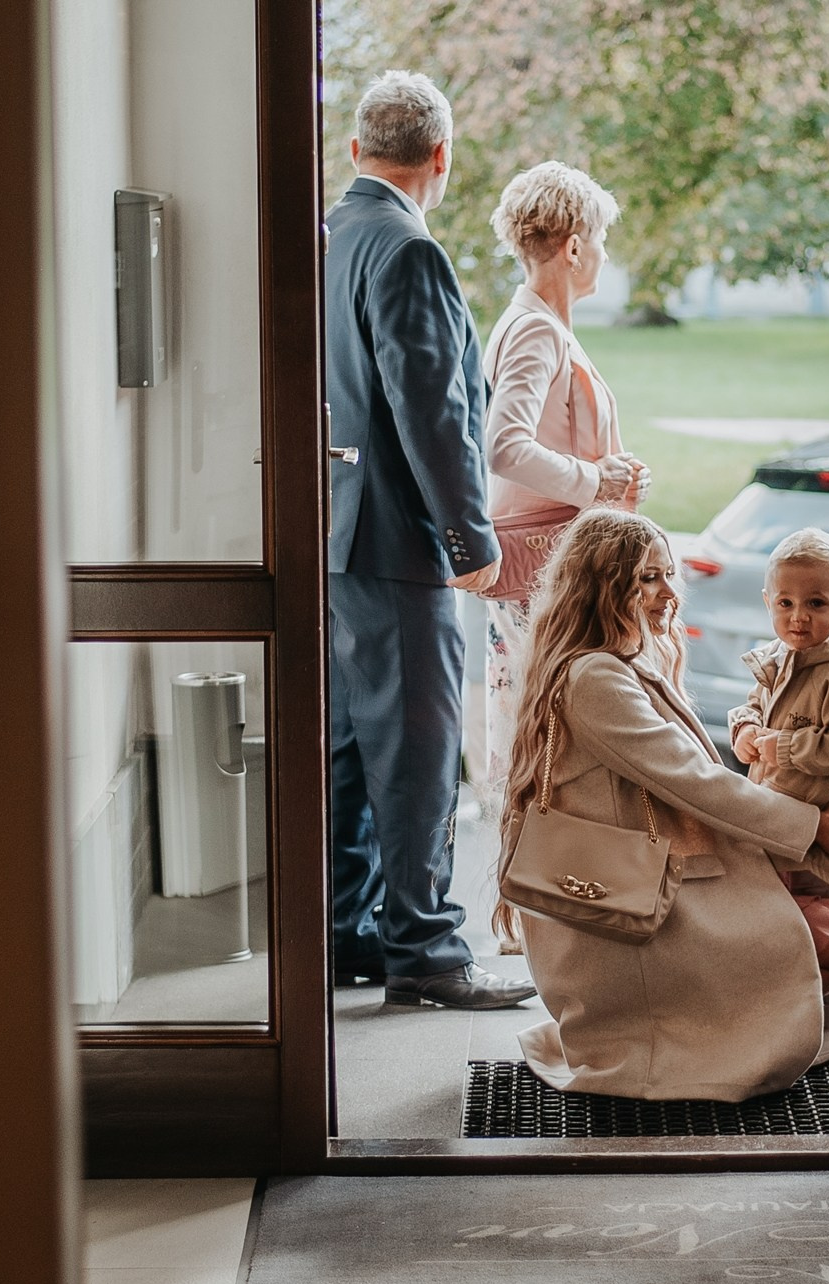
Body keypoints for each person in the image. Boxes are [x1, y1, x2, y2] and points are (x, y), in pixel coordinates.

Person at [501, 510, 829, 1102]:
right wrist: (814, 826)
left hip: (637, 888)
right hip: (629, 912)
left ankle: (778, 1034)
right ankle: (734, 1042)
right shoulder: (596, 678)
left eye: (668, 574)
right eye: (648, 578)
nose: (670, 592)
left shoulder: (612, 664)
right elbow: (697, 781)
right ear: (603, 585)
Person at [324, 71, 533, 1010]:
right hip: (401, 541)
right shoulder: (408, 249)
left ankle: (348, 932)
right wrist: (468, 538)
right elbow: (433, 410)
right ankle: (428, 954)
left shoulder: (328, 239)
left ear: (356, 151)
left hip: (334, 534)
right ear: (440, 157)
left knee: (347, 747)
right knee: (415, 749)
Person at [479, 161, 649, 828]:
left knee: (552, 730)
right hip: (542, 571)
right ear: (574, 245)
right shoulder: (534, 329)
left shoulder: (546, 324)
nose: (604, 254)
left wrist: (614, 471)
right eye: (600, 239)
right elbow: (505, 445)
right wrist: (595, 481)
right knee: (548, 733)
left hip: (559, 562)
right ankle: (544, 897)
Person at [727, 529, 829, 1062]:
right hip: (777, 822)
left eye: (816, 604)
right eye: (786, 603)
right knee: (787, 928)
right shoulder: (779, 657)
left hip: (823, 829)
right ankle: (788, 1020)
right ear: (769, 601)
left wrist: (784, 747)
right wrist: (745, 728)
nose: (799, 617)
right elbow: (753, 705)